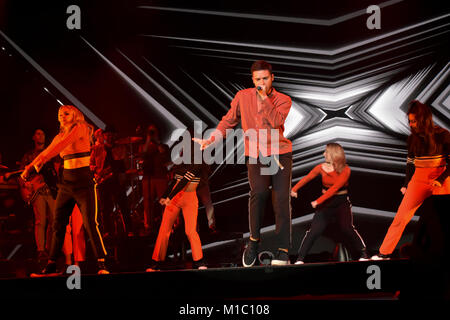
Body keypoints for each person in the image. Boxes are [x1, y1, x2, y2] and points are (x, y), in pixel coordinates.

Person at [194, 60, 293, 266]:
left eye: (265, 78)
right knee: (258, 193)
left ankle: (283, 250)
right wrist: (211, 139)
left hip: (280, 153)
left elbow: (275, 121)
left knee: (281, 200)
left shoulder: (284, 100)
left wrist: (264, 99)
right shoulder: (242, 97)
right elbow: (229, 120)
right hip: (256, 155)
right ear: (252, 79)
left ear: (272, 78)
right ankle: (254, 243)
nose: (261, 83)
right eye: (257, 79)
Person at [22, 105, 109, 275]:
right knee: (57, 224)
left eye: (66, 113)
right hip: (66, 184)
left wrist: (33, 167)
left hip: (83, 183)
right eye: (60, 114)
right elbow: (47, 151)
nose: (62, 116)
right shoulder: (60, 135)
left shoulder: (81, 128)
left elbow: (61, 146)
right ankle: (51, 264)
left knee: (90, 223)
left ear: (75, 114)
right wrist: (30, 166)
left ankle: (102, 263)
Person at [371, 101, 449, 260]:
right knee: (401, 217)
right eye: (410, 121)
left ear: (424, 120)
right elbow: (410, 163)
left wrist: (440, 179)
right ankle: (384, 253)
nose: (411, 124)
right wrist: (406, 184)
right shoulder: (412, 139)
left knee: (443, 220)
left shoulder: (443, 135)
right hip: (419, 180)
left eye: (414, 121)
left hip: (441, 178)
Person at [291, 143, 369, 264]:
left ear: (333, 154)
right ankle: (300, 259)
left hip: (341, 202)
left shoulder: (346, 170)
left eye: (326, 152)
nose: (323, 154)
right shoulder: (321, 167)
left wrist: (318, 201)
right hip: (326, 204)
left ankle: (364, 253)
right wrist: (294, 189)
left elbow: (335, 189)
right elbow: (308, 178)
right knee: (314, 231)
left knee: (347, 228)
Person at [146, 136, 208, 271]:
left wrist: (170, 196)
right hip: (175, 199)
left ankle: (199, 261)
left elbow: (185, 180)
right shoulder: (181, 163)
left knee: (190, 231)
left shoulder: (198, 163)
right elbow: (175, 181)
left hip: (189, 198)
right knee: (164, 229)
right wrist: (165, 196)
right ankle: (156, 262)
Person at [19, 129, 73, 267]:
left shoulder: (51, 153)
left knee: (54, 221)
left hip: (51, 190)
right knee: (40, 220)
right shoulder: (29, 155)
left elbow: (57, 170)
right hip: (38, 192)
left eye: (42, 133)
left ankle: (52, 249)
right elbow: (21, 174)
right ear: (33, 137)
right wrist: (26, 186)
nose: (40, 136)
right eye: (37, 133)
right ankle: (41, 250)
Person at [90, 126, 132, 237]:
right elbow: (90, 164)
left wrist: (123, 174)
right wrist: (98, 170)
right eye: (107, 134)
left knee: (123, 206)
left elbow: (125, 165)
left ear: (115, 135)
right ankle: (107, 231)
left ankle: (129, 230)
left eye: (111, 134)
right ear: (103, 136)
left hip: (117, 180)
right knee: (105, 208)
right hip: (103, 181)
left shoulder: (121, 148)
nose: (109, 136)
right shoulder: (97, 149)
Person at [140, 124, 170, 235]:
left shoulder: (164, 146)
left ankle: (167, 224)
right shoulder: (145, 146)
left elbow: (164, 155)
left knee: (163, 201)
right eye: (150, 132)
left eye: (153, 132)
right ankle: (148, 225)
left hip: (161, 177)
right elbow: (142, 155)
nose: (152, 134)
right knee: (147, 202)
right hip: (148, 178)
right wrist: (148, 140)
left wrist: (156, 142)